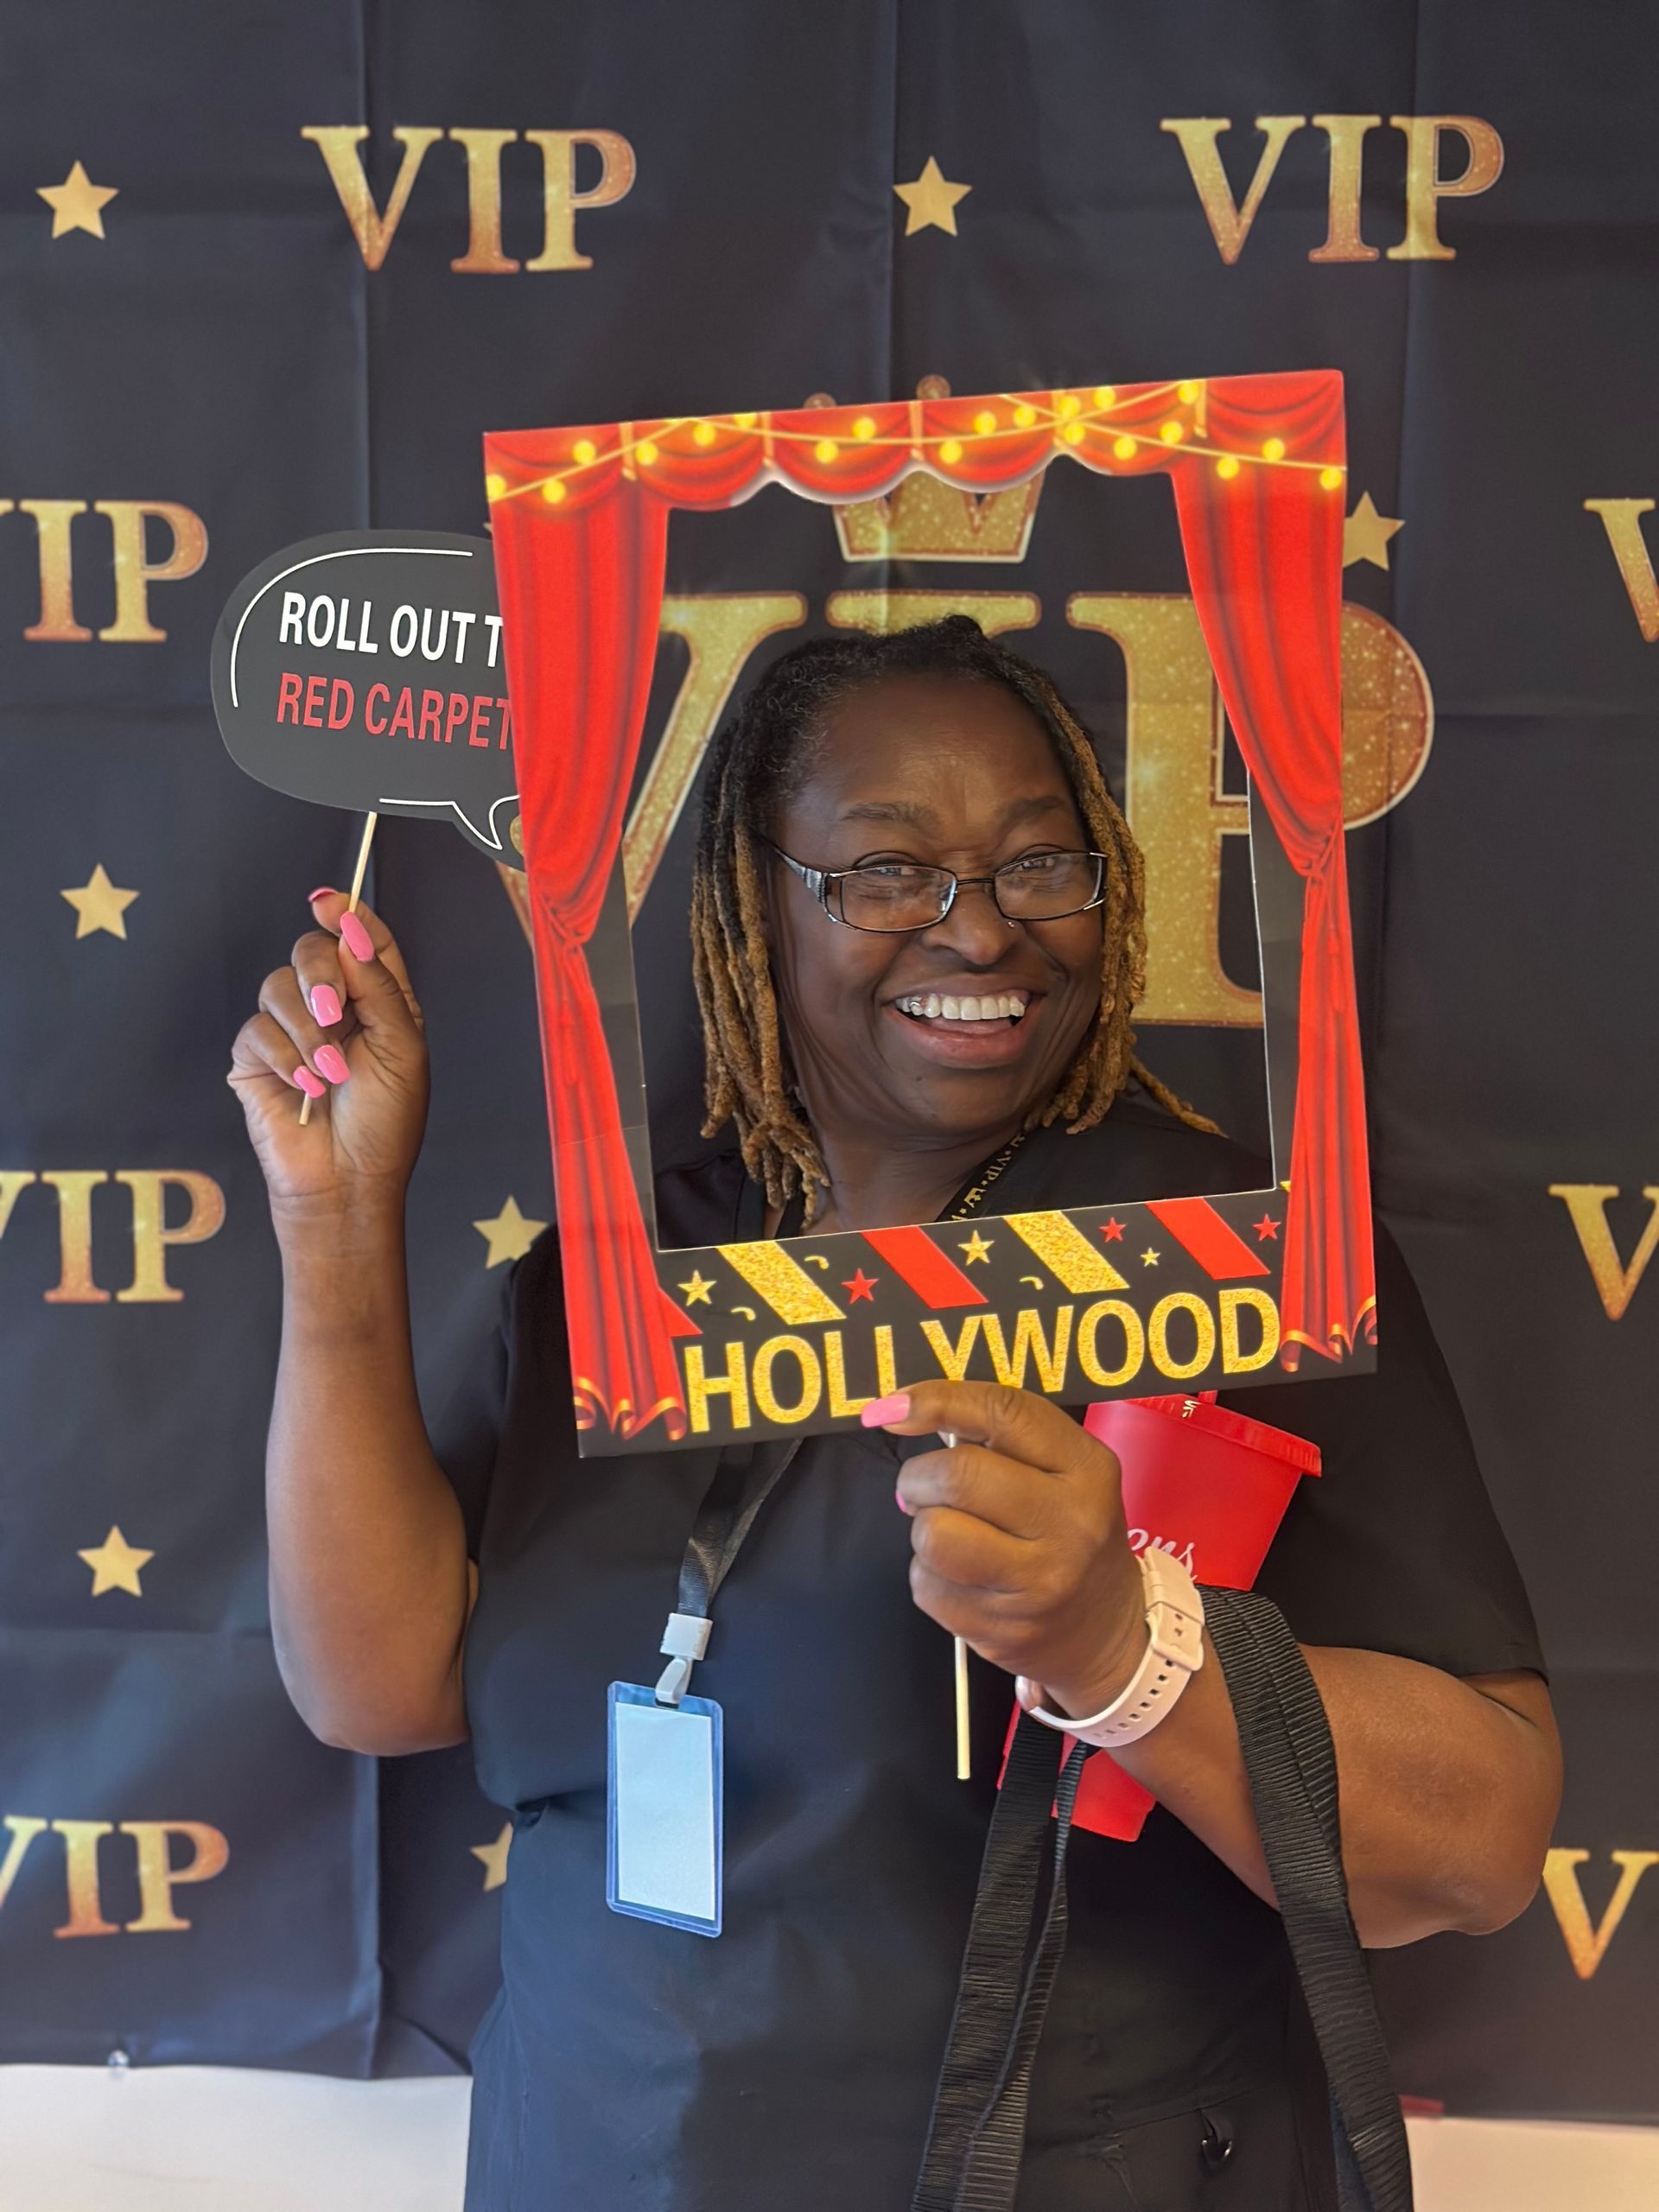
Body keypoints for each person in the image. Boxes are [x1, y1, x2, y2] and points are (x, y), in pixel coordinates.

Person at [230, 617, 1560, 2211]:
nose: (979, 929)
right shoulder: (619, 1280)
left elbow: (1483, 1840)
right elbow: (382, 1685)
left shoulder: (1229, 1261)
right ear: (756, 901)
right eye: (885, 873)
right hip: (592, 2156)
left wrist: (1128, 1648)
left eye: (1038, 865)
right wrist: (333, 1221)